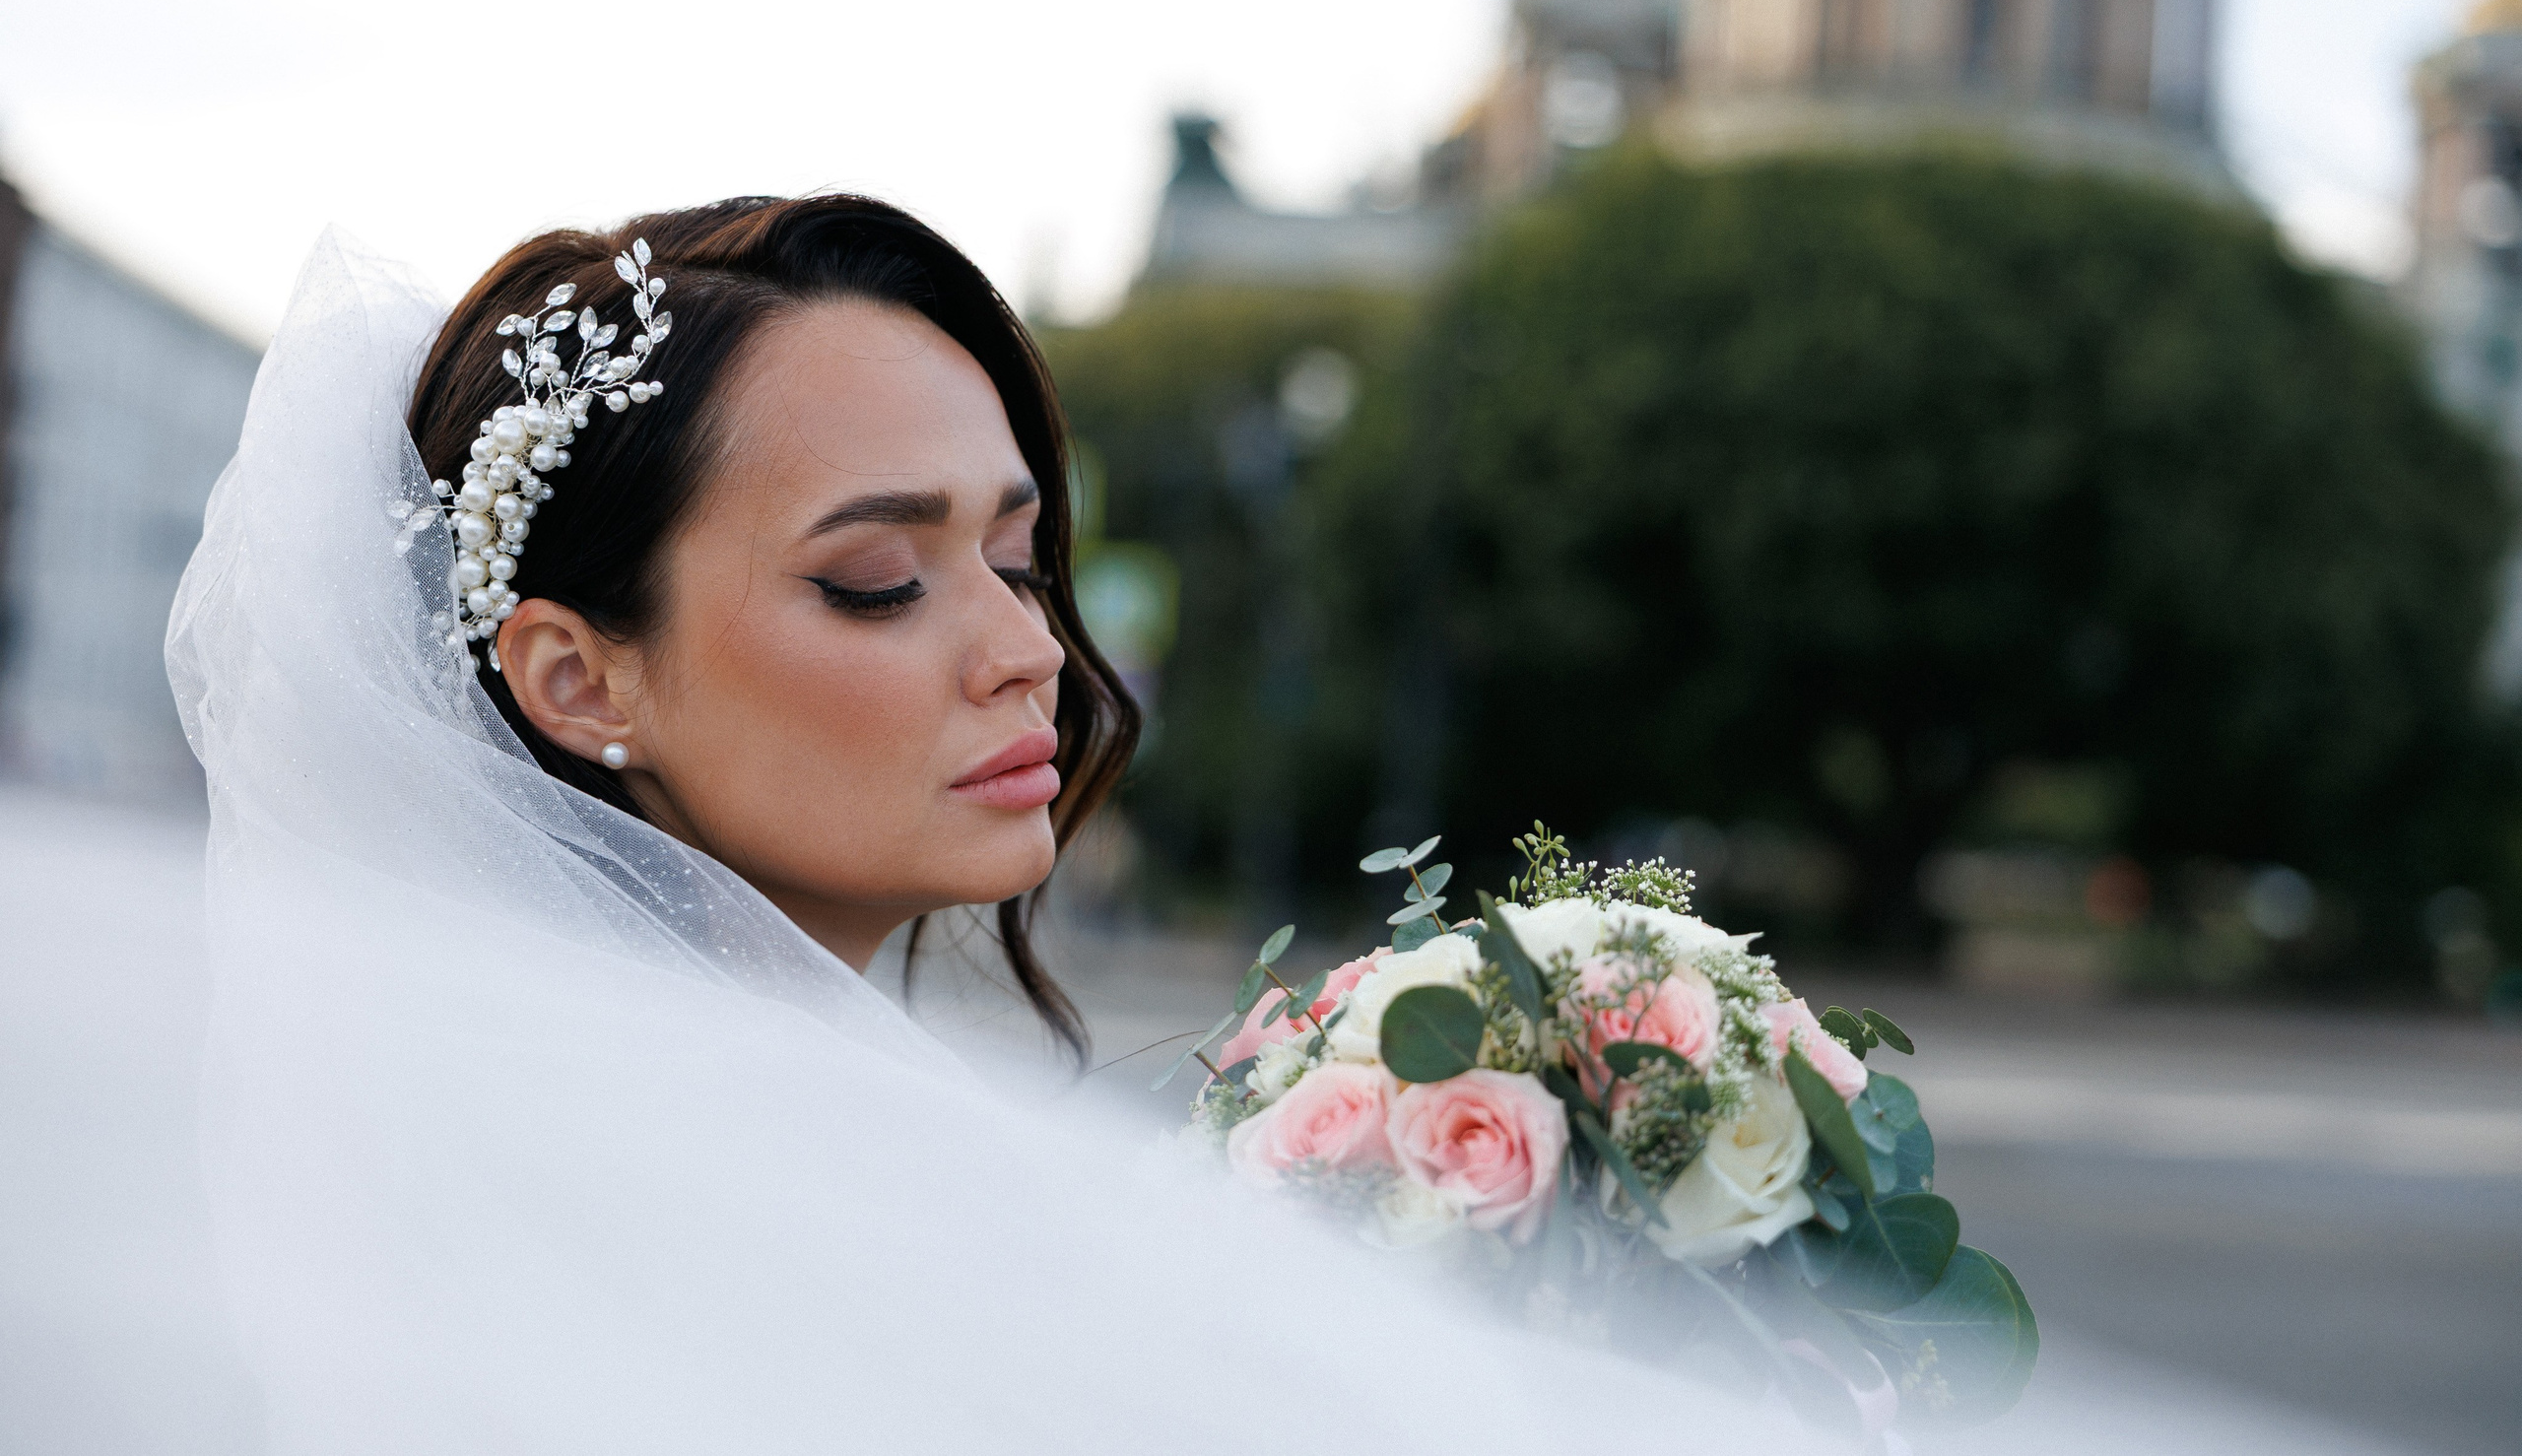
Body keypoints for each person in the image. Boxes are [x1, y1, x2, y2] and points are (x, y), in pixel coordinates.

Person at [163, 198, 1805, 1454]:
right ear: (581, 680)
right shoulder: (662, 1261)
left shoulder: (776, 1167)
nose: (1028, 648)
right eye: (878, 581)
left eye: (1016, 559)